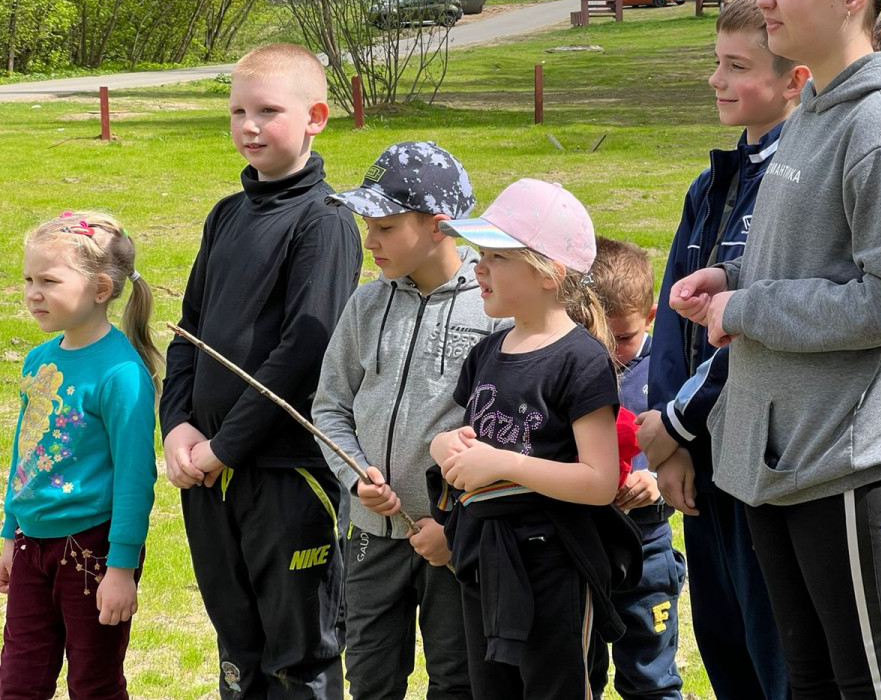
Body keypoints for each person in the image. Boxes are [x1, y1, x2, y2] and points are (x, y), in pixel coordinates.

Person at [670, 0, 881, 698]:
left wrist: (746, 311)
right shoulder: (815, 112)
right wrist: (735, 281)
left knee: (866, 677)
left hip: (839, 455)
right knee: (808, 677)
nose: (764, 0)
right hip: (773, 450)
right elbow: (817, 262)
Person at [159, 42, 363, 699]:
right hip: (210, 477)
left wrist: (226, 446)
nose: (249, 125)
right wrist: (179, 427)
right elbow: (187, 331)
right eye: (238, 110)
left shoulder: (326, 222)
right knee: (236, 646)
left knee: (297, 653)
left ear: (316, 117)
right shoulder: (225, 215)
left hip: (283, 474)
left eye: (268, 111)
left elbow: (302, 355)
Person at [636, 0, 807, 700]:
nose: (717, 81)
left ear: (795, 80)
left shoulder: (796, 187)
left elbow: (758, 330)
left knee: (778, 654)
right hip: (699, 457)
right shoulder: (709, 185)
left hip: (763, 459)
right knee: (725, 641)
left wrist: (674, 426)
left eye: (737, 66)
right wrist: (671, 445)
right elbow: (672, 320)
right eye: (716, 63)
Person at [429, 178, 643, 700]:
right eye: (479, 254)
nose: (477, 267)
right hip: (484, 557)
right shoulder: (487, 351)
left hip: (553, 564)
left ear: (549, 273)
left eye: (496, 257)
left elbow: (596, 482)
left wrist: (502, 465)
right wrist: (443, 448)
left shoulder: (581, 360)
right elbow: (464, 436)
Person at [313, 140, 504, 699]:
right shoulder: (364, 305)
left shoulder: (495, 306)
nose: (369, 241)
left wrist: (457, 526)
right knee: (369, 678)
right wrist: (354, 474)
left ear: (441, 226)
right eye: (365, 224)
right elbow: (329, 406)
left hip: (453, 540)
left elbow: (508, 435)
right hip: (372, 535)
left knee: (457, 678)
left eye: (386, 227)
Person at [0, 211, 160, 698]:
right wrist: (9, 531)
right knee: (18, 683)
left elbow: (136, 479)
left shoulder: (121, 375)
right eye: (28, 279)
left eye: (49, 280)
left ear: (100, 288)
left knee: (94, 683)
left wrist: (121, 568)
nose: (33, 293)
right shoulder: (39, 359)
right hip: (32, 546)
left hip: (92, 551)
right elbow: (23, 452)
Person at [588, 235, 687, 700]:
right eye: (596, 336)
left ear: (650, 318)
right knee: (574, 673)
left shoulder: (670, 370)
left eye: (622, 338)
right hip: (580, 544)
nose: (610, 350)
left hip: (646, 545)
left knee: (649, 676)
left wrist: (655, 482)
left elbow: (693, 451)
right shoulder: (572, 365)